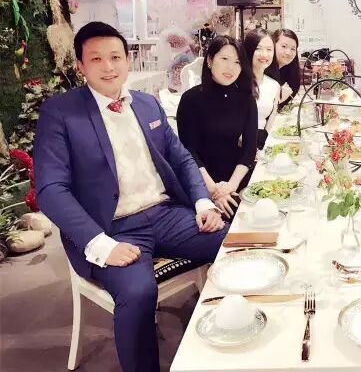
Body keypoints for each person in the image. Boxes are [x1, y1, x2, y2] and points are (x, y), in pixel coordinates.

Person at [34, 22, 228, 372]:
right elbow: (50, 189)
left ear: (127, 60)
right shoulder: (60, 113)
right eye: (96, 59)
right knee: (138, 292)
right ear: (80, 66)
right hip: (111, 229)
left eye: (115, 57)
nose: (108, 67)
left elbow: (182, 158)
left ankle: (232, 345)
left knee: (234, 245)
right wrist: (101, 244)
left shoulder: (147, 104)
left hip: (165, 215)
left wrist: (202, 202)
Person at [177, 35, 258, 216]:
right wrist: (214, 190)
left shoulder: (246, 99)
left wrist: (229, 187)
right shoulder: (191, 99)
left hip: (235, 177)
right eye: (224, 59)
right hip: (200, 180)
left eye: (237, 62)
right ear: (209, 60)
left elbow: (249, 150)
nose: (231, 68)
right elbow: (189, 151)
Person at [244, 29, 280, 149]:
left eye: (269, 49)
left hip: (260, 144)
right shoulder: (238, 82)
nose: (264, 54)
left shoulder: (274, 85)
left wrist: (263, 139)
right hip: (237, 145)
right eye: (258, 49)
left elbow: (272, 116)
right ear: (249, 50)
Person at [273, 28, 301, 109]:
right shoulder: (262, 72)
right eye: (284, 46)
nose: (288, 52)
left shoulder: (289, 71)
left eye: (293, 49)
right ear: (273, 45)